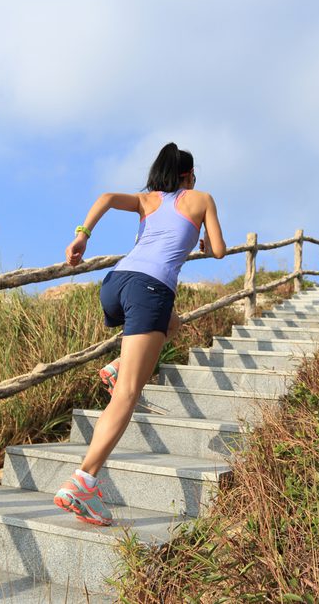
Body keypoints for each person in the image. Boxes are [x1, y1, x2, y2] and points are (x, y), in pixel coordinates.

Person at [55, 142, 227, 525]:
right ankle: (83, 481)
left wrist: (82, 235)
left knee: (172, 322)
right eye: (194, 174)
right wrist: (201, 236)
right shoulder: (201, 199)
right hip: (151, 289)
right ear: (187, 175)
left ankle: (118, 364)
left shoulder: (148, 200)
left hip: (116, 284)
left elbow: (104, 197)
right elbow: (218, 251)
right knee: (128, 395)